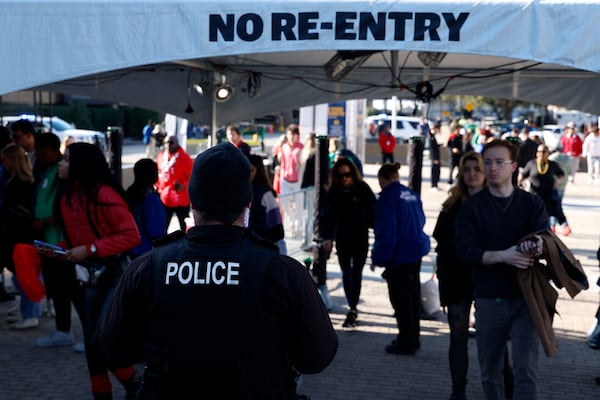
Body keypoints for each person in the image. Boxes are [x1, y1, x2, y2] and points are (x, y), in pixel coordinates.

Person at [97, 142, 338, 399]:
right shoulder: (282, 272)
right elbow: (317, 357)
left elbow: (112, 348)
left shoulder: (148, 268)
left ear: (192, 200)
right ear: (248, 202)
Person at [455, 139, 549, 399]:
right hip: (489, 299)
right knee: (490, 371)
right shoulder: (473, 207)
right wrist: (504, 256)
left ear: (514, 166)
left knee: (526, 372)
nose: (492, 168)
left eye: (499, 162)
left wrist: (539, 244)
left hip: (526, 299)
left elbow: (546, 236)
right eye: (488, 162)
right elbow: (465, 251)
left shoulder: (531, 203)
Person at [57, 142, 142, 400]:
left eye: (67, 159)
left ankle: (135, 383)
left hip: (110, 276)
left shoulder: (104, 194)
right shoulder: (69, 195)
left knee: (98, 343)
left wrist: (91, 249)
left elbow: (131, 236)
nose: (61, 163)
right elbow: (78, 237)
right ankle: (129, 386)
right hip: (83, 278)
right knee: (94, 349)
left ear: (81, 164)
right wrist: (60, 249)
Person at [433, 152, 486, 400]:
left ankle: (504, 388)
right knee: (458, 336)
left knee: (493, 339)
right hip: (456, 279)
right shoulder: (452, 205)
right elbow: (441, 244)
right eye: (467, 169)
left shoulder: (497, 202)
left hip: (489, 280)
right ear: (461, 173)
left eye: (477, 168)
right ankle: (458, 391)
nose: (472, 173)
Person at [372, 162, 430, 355]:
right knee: (412, 297)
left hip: (399, 255)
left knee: (400, 300)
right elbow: (421, 220)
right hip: (415, 251)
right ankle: (413, 337)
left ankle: (406, 342)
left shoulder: (387, 199)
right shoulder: (411, 194)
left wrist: (380, 257)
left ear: (382, 179)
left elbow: (387, 232)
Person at [33, 133, 77, 347]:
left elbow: (66, 206)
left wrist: (49, 220)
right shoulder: (47, 169)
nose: (38, 155)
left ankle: (73, 330)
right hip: (49, 242)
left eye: (41, 150)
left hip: (63, 242)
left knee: (70, 288)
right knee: (58, 287)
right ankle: (62, 330)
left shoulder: (63, 172)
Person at [322, 157, 376, 328]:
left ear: (353, 173)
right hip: (343, 239)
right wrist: (328, 237)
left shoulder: (362, 189)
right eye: (340, 176)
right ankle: (351, 306)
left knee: (357, 272)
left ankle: (352, 307)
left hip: (360, 237)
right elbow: (327, 217)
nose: (344, 178)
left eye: (347, 174)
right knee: (346, 272)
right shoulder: (334, 192)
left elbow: (373, 211)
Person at [0, 143, 37, 329]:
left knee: (23, 276)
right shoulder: (26, 181)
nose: (3, 163)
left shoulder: (16, 184)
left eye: (5, 160)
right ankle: (29, 311)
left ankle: (30, 312)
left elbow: (18, 211)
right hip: (22, 234)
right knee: (22, 275)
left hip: (18, 235)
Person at [518, 144, 570, 236]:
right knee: (531, 214)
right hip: (534, 195)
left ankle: (562, 227)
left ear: (548, 153)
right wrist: (520, 183)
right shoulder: (532, 163)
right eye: (539, 152)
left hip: (549, 195)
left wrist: (557, 181)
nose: (541, 154)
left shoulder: (552, 164)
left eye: (544, 152)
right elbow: (523, 175)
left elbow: (561, 174)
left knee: (556, 211)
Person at [126, 159, 167, 259]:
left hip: (132, 250)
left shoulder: (130, 194)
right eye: (156, 172)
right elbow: (157, 231)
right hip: (148, 252)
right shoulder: (152, 199)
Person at [247, 154, 286, 255]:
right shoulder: (240, 191)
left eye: (251, 170)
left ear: (258, 171)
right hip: (249, 244)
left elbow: (276, 224)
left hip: (266, 243)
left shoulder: (265, 193)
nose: (248, 174)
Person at [156, 134, 193, 231]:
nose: (168, 145)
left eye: (171, 142)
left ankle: (186, 245)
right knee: (162, 227)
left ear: (177, 144)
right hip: (165, 199)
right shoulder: (160, 157)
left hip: (181, 199)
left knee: (184, 228)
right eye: (166, 142)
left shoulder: (185, 158)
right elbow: (158, 173)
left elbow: (192, 178)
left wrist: (183, 185)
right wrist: (157, 186)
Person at [279, 124, 304, 194]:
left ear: (297, 135)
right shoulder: (284, 147)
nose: (291, 137)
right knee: (285, 202)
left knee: (299, 203)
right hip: (286, 179)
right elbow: (283, 163)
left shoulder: (302, 147)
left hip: (298, 180)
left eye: (293, 135)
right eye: (289, 134)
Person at [430, 124, 442, 190]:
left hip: (436, 156)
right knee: (434, 171)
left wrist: (438, 145)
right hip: (434, 157)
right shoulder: (431, 137)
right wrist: (435, 158)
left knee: (437, 171)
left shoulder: (433, 137)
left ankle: (436, 184)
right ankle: (433, 184)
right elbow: (432, 148)